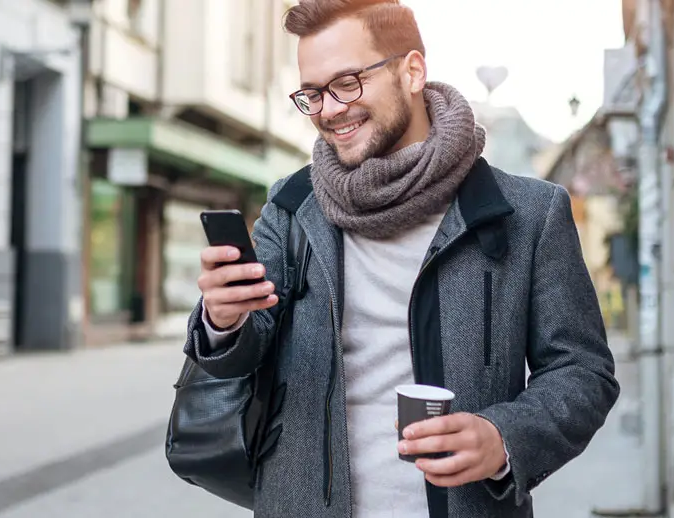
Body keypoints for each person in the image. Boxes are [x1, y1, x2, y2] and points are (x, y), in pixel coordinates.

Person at [182, 0, 620, 516]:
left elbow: (583, 372)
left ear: (412, 71)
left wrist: (504, 438)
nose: (329, 108)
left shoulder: (528, 214)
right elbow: (246, 348)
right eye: (313, 93)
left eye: (348, 82)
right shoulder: (291, 206)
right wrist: (224, 319)